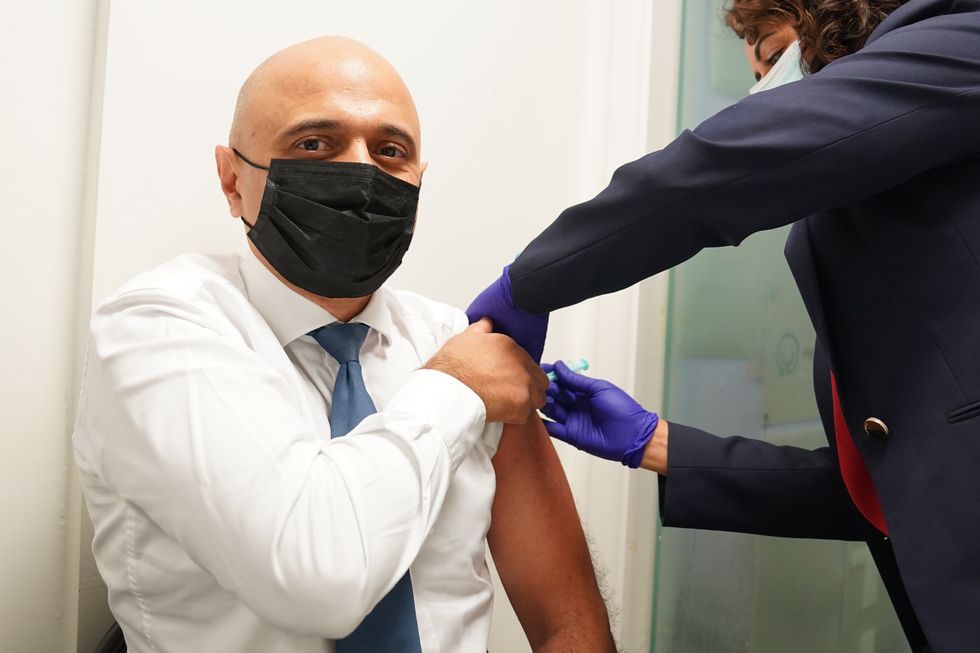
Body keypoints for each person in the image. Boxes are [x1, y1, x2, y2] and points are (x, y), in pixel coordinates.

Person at [72, 36, 616, 653]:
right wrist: (453, 391)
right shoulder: (160, 328)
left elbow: (568, 620)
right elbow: (317, 581)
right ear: (231, 179)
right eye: (314, 143)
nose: (362, 174)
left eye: (390, 151)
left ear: (418, 181)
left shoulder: (458, 341)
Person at [466, 0, 980, 651]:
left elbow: (718, 174)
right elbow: (892, 490)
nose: (765, 90)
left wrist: (535, 281)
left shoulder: (963, 39)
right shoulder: (879, 219)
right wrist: (655, 442)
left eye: (774, 55)